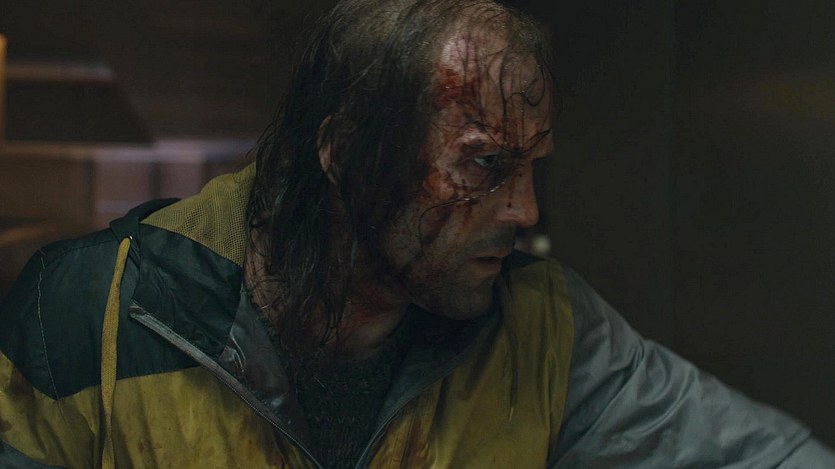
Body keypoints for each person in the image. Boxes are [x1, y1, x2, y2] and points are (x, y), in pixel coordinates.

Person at [1, 0, 833, 467]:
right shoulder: (92, 312)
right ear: (346, 154)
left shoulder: (543, 330)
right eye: (484, 164)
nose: (525, 211)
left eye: (532, 166)